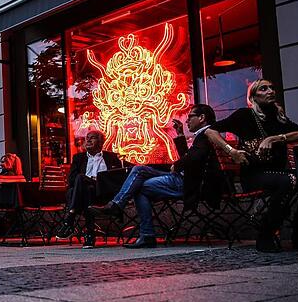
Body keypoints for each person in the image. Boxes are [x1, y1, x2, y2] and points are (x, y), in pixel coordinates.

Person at [204, 79, 298, 252]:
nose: (270, 91)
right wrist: (231, 151)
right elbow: (210, 131)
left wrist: (275, 138)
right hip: (254, 175)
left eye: (272, 87)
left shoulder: (278, 117)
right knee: (288, 180)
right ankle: (266, 233)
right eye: (264, 89)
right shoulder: (244, 115)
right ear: (253, 97)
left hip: (279, 173)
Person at [91, 104, 222, 248]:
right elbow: (192, 155)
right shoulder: (204, 136)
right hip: (184, 179)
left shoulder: (207, 135)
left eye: (190, 116)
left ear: (202, 118)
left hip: (187, 183)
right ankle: (120, 208)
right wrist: (179, 135)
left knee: (139, 183)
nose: (186, 121)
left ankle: (139, 227)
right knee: (139, 170)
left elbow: (196, 156)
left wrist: (178, 165)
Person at [57, 130, 124, 248]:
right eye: (86, 138)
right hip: (85, 193)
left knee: (82, 179)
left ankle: (70, 218)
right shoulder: (78, 158)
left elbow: (117, 179)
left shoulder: (111, 157)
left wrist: (95, 179)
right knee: (84, 186)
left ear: (101, 142)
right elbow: (71, 180)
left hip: (103, 193)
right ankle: (89, 234)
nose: (87, 140)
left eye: (92, 138)